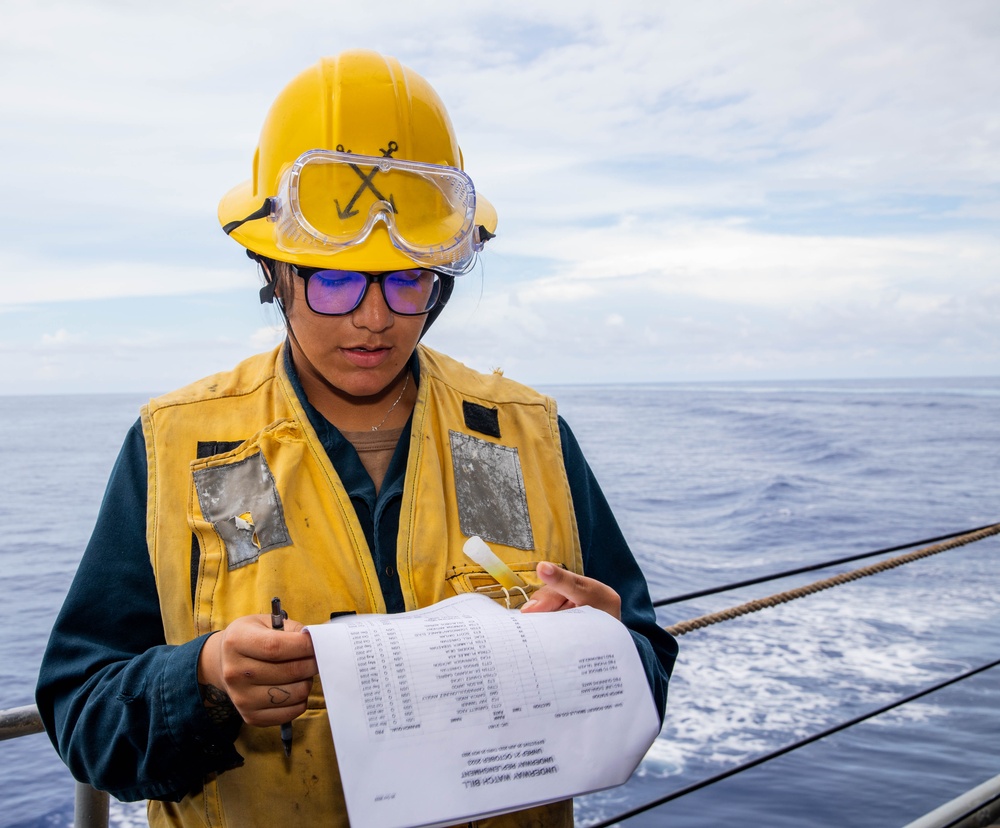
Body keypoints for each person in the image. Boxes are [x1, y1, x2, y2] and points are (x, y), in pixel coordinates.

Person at [36, 49, 678, 828]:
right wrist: (201, 681)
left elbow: (644, 660)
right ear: (273, 272)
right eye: (336, 280)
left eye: (408, 278)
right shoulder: (180, 445)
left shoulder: (528, 434)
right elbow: (82, 711)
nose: (375, 318)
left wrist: (606, 654)